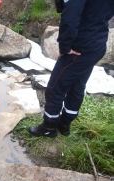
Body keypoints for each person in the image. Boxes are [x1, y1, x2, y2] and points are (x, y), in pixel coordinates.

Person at [28, 0, 114, 137]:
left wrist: (65, 47)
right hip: (97, 44)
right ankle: (64, 124)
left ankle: (48, 128)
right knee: (77, 86)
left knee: (55, 89)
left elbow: (70, 18)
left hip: (79, 48)